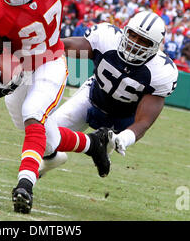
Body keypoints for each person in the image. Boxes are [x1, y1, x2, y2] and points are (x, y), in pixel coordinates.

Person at [0, 0, 165, 214]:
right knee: (39, 135)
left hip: (51, 59)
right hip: (21, 66)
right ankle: (92, 144)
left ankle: (24, 185)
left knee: (34, 113)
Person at [40, 11, 178, 177]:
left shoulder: (161, 71)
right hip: (92, 99)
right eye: (133, 35)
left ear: (155, 46)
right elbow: (66, 47)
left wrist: (125, 138)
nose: (135, 43)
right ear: (125, 30)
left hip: (123, 120)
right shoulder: (108, 37)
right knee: (44, 137)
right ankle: (45, 167)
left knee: (107, 142)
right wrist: (38, 50)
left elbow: (144, 121)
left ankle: (101, 148)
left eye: (144, 41)